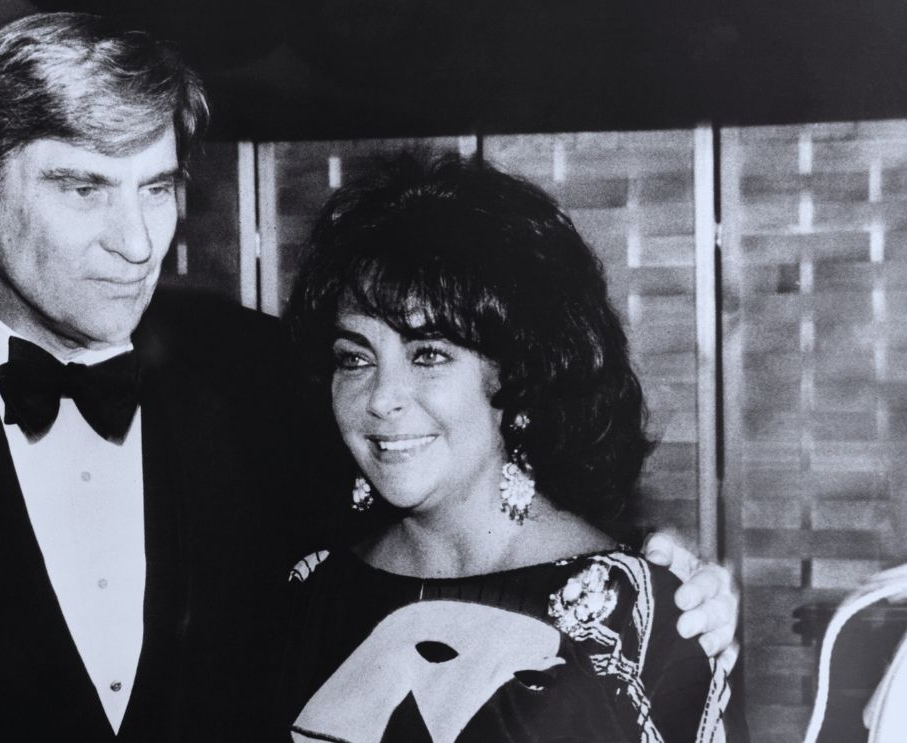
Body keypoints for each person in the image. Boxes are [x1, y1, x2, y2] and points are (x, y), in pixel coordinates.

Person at [0, 12, 736, 743]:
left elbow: (464, 491)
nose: (136, 242)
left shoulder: (266, 376)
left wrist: (663, 571)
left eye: (157, 188)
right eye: (83, 188)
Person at [279, 155, 747, 742]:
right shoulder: (305, 590)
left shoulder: (634, 620)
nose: (381, 397)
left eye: (428, 354)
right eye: (354, 358)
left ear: (521, 376)